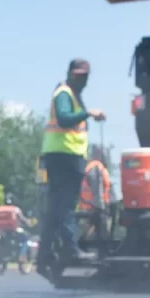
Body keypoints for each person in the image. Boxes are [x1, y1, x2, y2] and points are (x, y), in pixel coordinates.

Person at [38, 58, 106, 270]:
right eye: (78, 75)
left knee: (57, 207)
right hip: (63, 157)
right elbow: (64, 119)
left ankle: (43, 255)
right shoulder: (64, 93)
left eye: (85, 76)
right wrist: (88, 113)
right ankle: (71, 250)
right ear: (70, 74)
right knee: (67, 205)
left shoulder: (74, 95)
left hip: (66, 156)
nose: (82, 80)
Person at [78, 146, 112, 246]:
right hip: (94, 208)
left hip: (89, 207)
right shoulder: (96, 167)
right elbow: (98, 189)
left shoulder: (91, 167)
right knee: (100, 235)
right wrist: (100, 207)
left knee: (90, 235)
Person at [0, 193, 32, 261]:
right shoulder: (15, 209)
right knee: (25, 239)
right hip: (12, 231)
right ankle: (22, 257)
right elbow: (22, 219)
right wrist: (28, 223)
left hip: (0, 231)